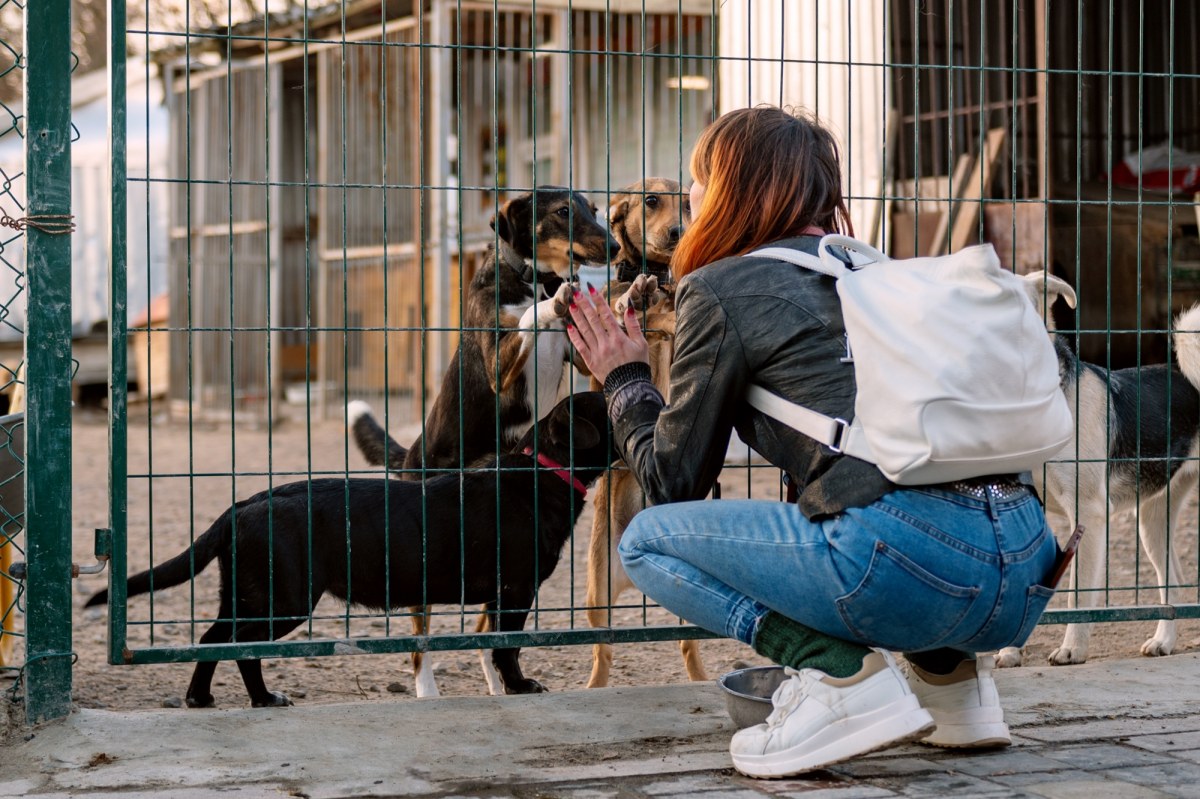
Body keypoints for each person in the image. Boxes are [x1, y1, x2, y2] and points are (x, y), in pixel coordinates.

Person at [565, 106, 1058, 779]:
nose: (691, 198)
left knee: (648, 541)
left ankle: (843, 681)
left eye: (698, 181)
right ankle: (956, 688)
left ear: (734, 190)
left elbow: (670, 484)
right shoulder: (877, 271)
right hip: (1027, 567)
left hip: (907, 564)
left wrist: (624, 378)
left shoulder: (720, 287)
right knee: (865, 488)